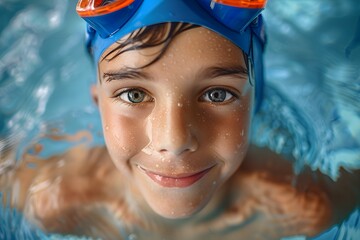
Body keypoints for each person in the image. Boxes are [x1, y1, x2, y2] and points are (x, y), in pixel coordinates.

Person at [1, 0, 359, 239]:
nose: (173, 140)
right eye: (133, 94)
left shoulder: (308, 206)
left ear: (254, 103)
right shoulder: (53, 199)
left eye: (217, 94)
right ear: (97, 103)